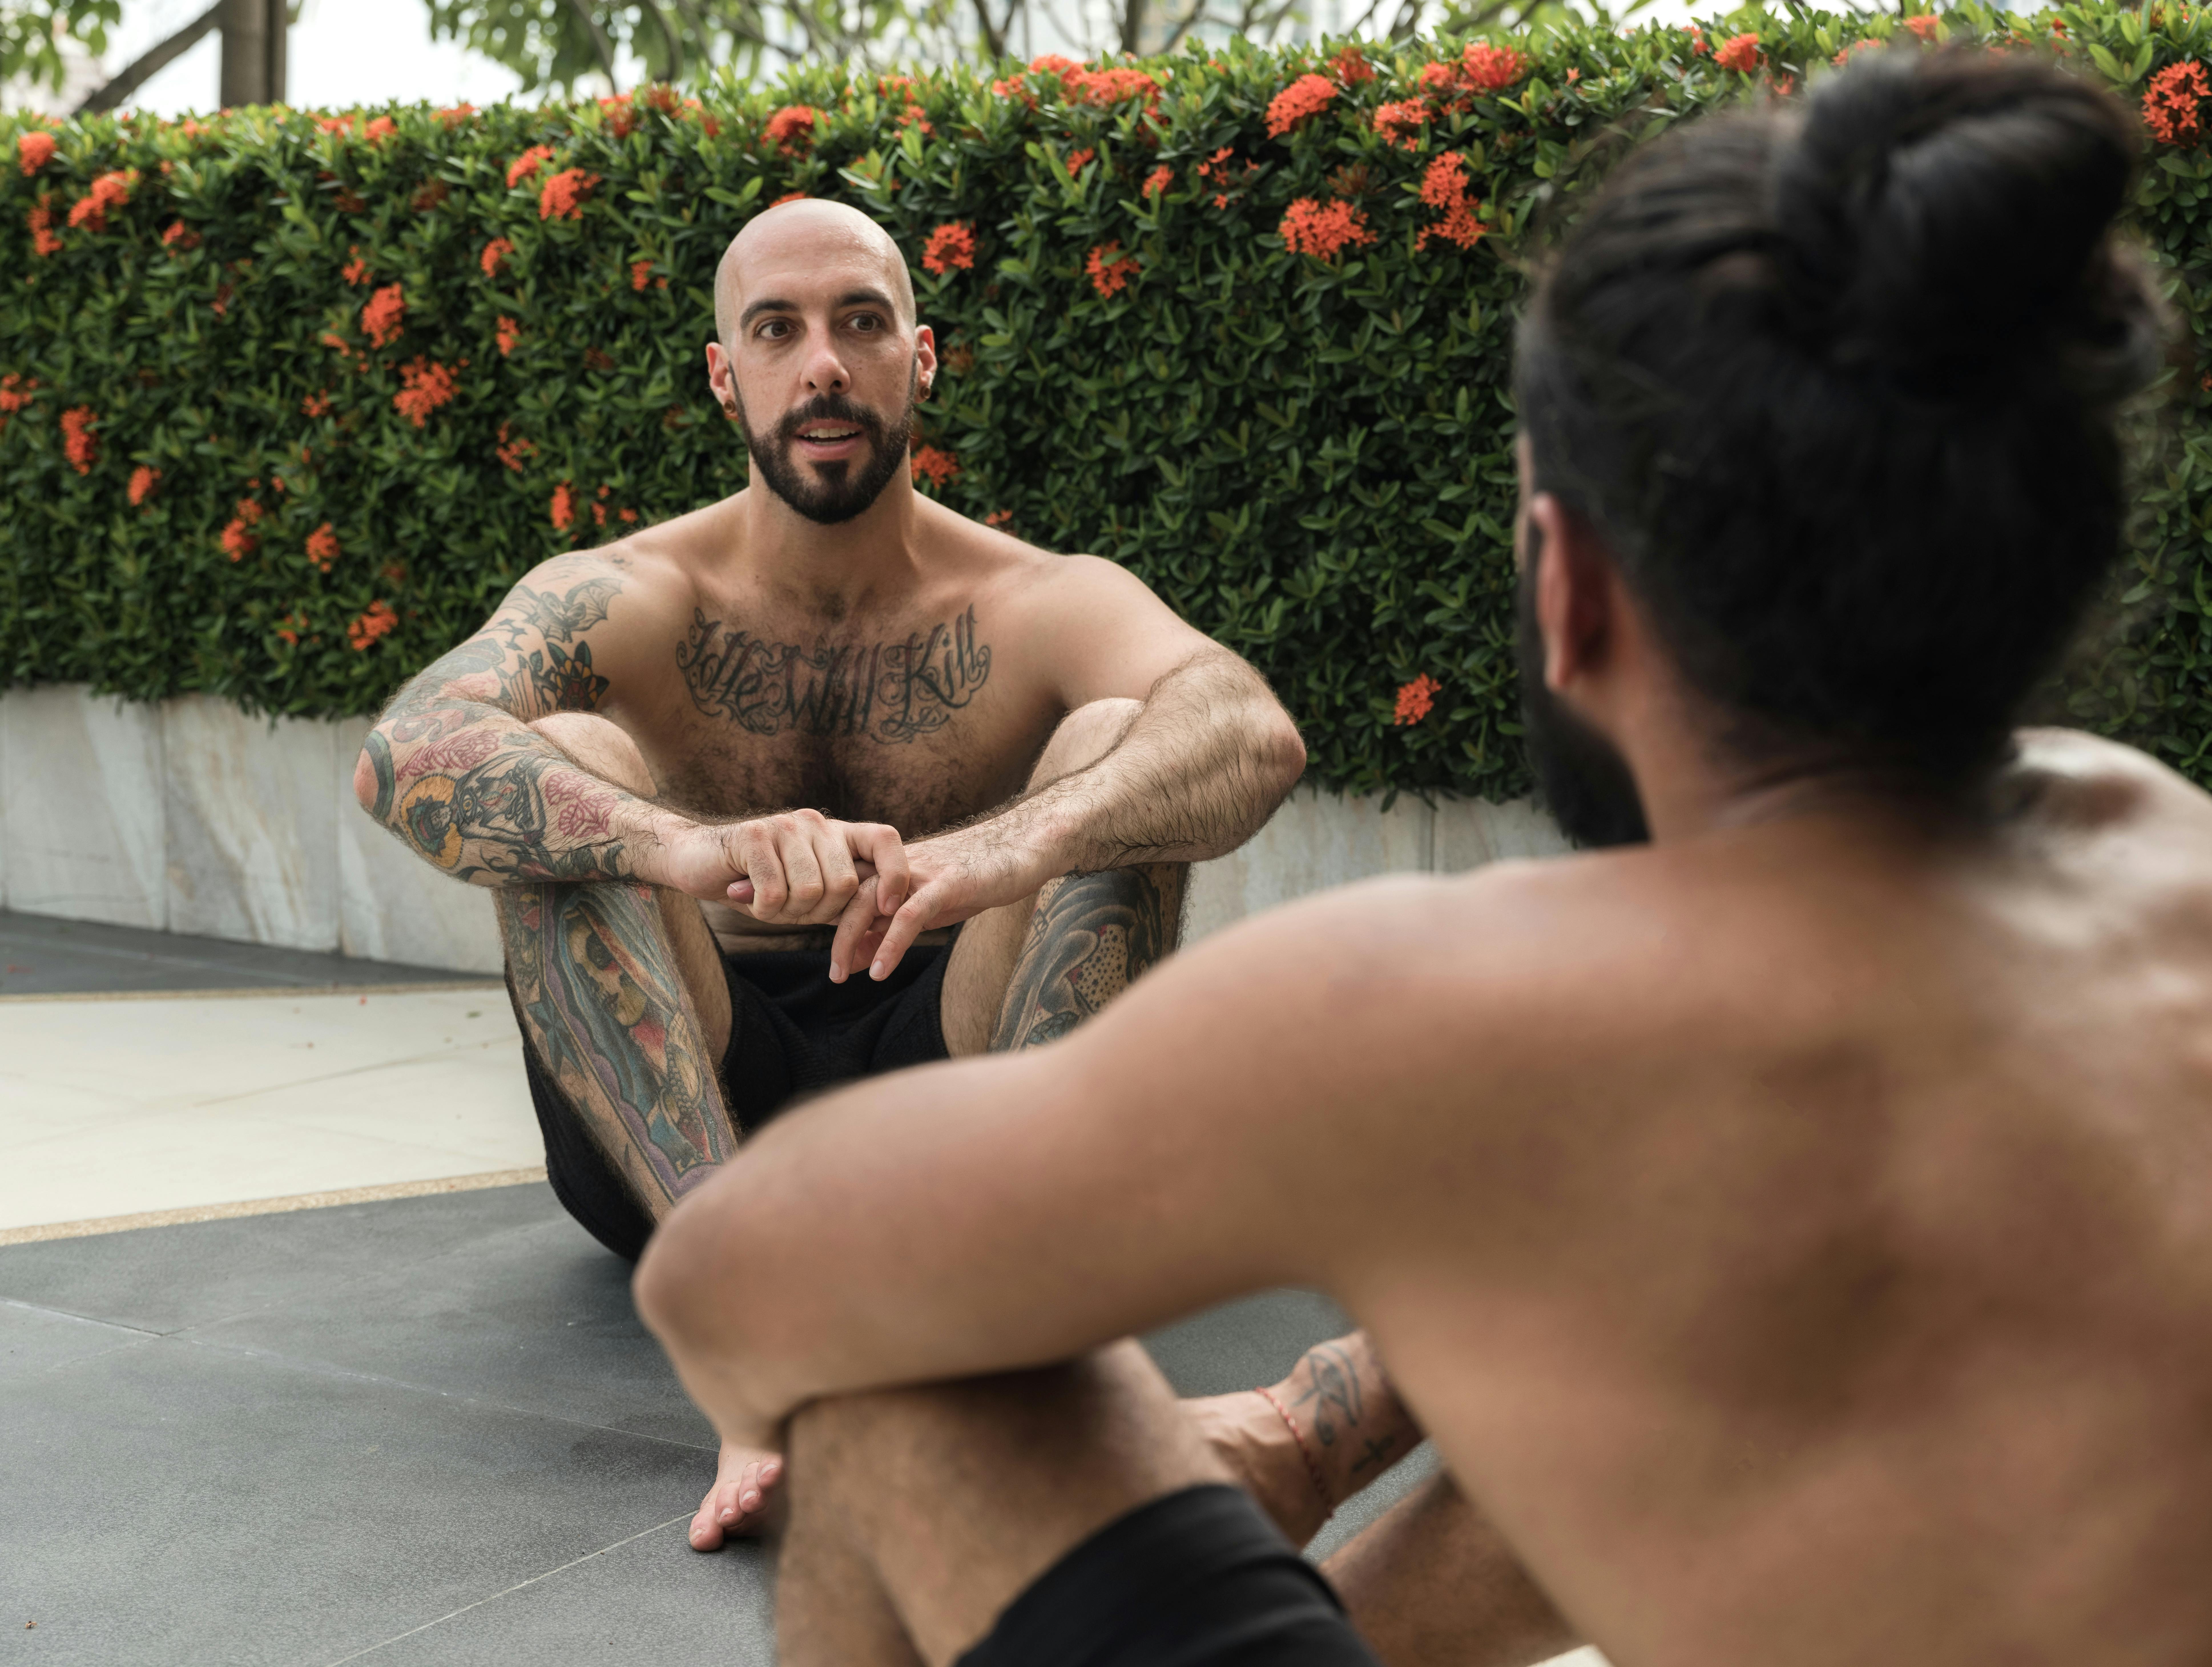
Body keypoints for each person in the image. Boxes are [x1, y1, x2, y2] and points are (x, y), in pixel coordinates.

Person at [634, 49, 2212, 1667]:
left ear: (1564, 586)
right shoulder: (2162, 853)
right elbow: (1794, 1283)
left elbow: (730, 1289)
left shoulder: (1458, 997)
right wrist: (1324, 1430)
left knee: (909, 1382)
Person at [350, 197, 1310, 1548]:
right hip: (691, 1113)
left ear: (921, 358)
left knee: (1113, 751)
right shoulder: (630, 592)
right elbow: (407, 749)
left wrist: (1008, 841)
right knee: (562, 763)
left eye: (862, 322)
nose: (825, 365)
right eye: (779, 329)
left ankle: (1011, 1335)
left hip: (961, 1113)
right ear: (722, 371)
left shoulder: (1036, 597)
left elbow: (1249, 731)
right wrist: (683, 844)